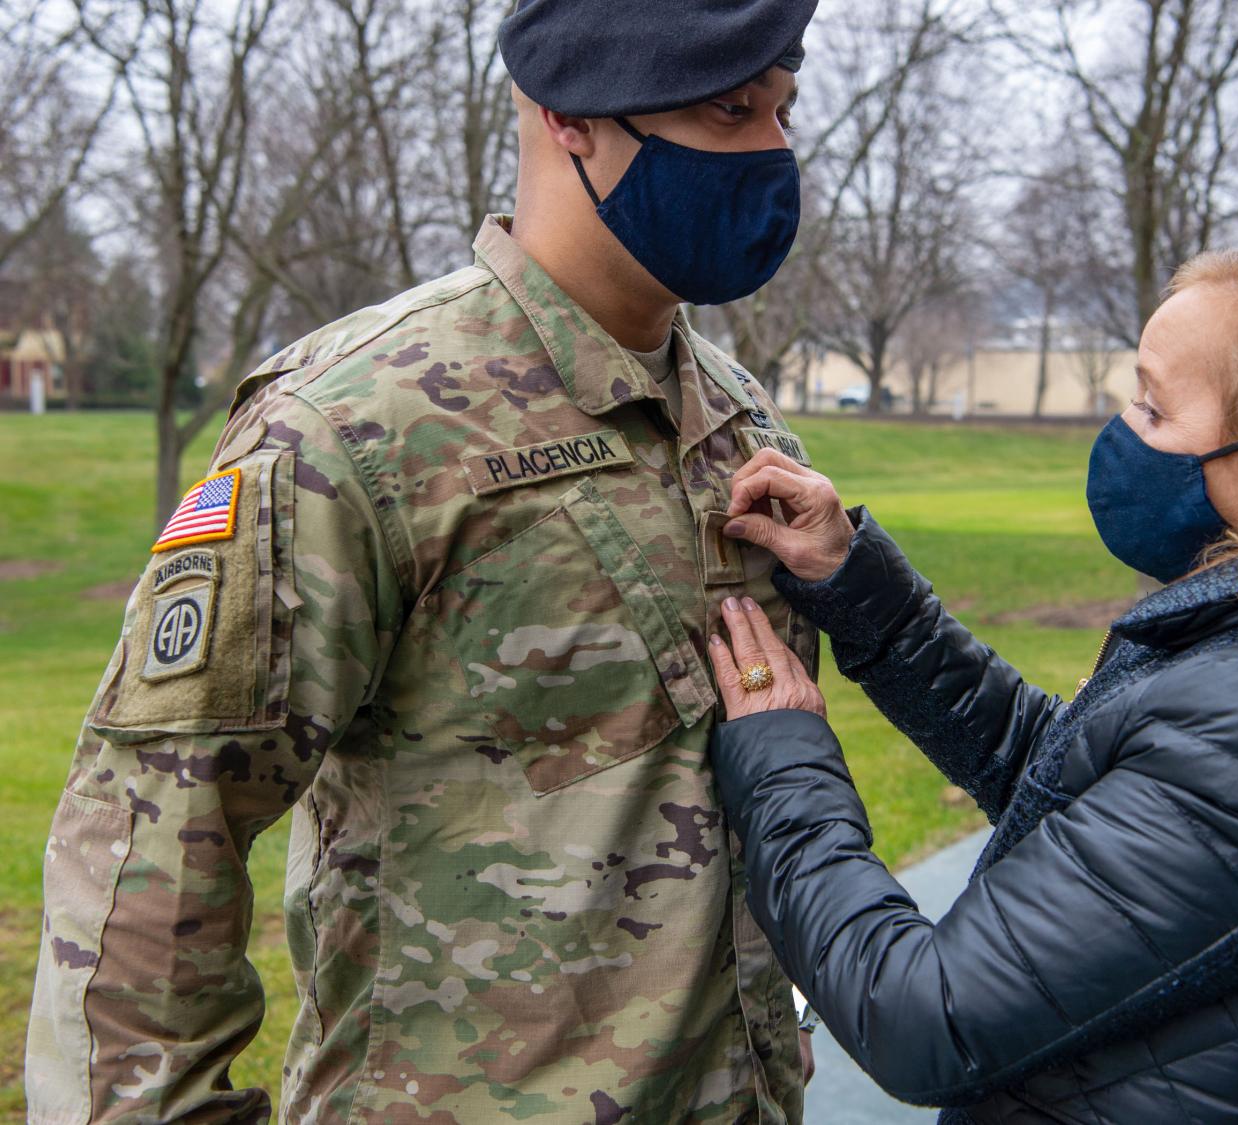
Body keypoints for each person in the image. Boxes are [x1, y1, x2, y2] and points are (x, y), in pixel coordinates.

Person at [25, 1, 825, 1120]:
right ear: (567, 116)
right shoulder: (351, 427)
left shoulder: (740, 426)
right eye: (729, 109)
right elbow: (149, 840)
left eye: (784, 109)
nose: (772, 152)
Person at [704, 249, 1238, 1122]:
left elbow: (925, 1017)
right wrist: (863, 589)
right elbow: (1078, 793)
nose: (1123, 428)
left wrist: (782, 756)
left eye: (1155, 407)